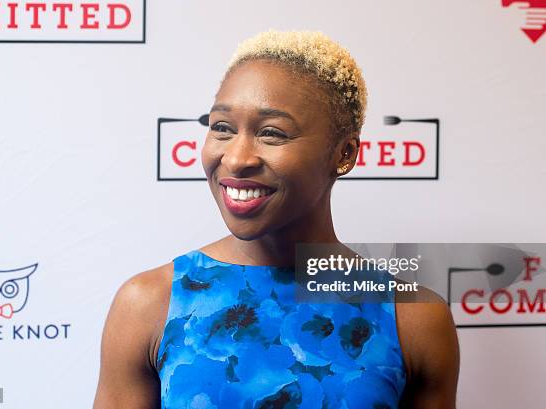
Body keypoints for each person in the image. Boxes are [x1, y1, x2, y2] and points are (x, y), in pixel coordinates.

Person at [93, 30, 460, 409]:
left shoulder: (413, 319)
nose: (236, 159)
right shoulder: (148, 304)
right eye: (222, 127)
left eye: (271, 133)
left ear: (344, 153)